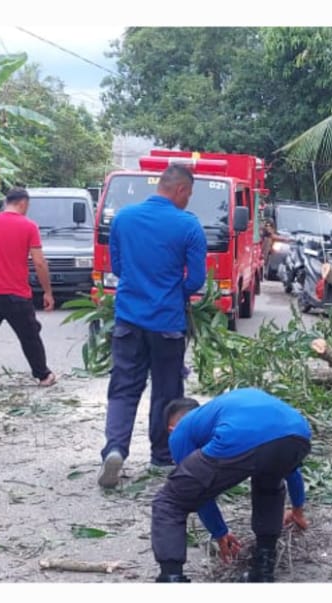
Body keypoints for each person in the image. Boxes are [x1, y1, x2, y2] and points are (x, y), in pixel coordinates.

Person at [98, 163, 208, 488]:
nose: (188, 200)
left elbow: (117, 267)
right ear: (180, 190)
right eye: (189, 194)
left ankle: (115, 449)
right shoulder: (188, 225)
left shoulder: (124, 219)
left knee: (123, 388)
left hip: (128, 319)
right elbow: (197, 279)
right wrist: (175, 292)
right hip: (168, 324)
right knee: (167, 390)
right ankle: (161, 456)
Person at [151, 389, 310, 584]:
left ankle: (171, 579)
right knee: (268, 482)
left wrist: (220, 532)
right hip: (299, 433)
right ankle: (263, 568)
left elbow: (196, 490)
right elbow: (292, 471)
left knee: (170, 501)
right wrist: (297, 510)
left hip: (239, 435)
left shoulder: (181, 430)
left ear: (170, 429)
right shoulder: (224, 409)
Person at [0, 187, 56, 392]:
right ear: (23, 203)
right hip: (17, 295)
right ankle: (43, 375)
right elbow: (39, 262)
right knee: (29, 336)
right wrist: (48, 292)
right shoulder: (29, 226)